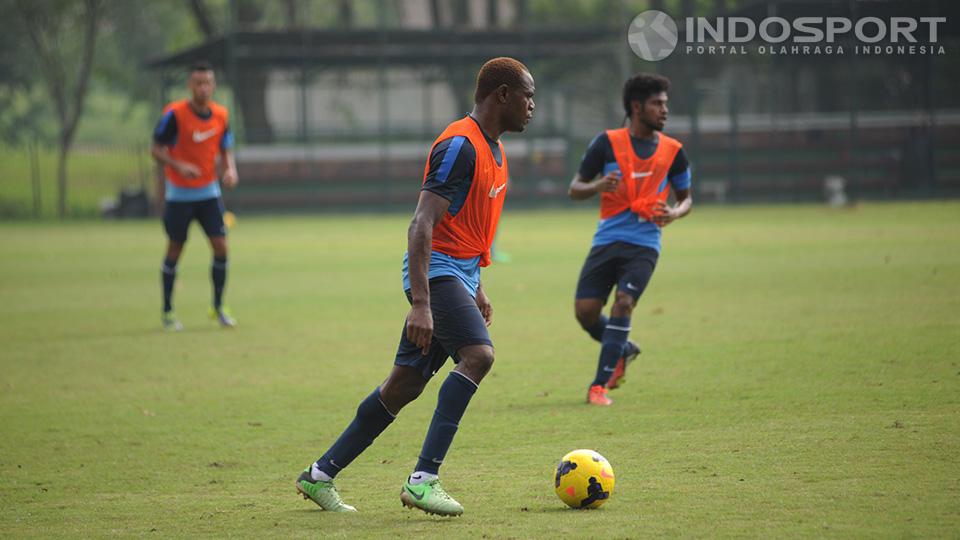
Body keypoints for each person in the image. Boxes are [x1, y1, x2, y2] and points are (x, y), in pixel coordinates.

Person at [295, 57, 535, 516]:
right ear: (502, 94)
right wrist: (422, 304)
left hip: (458, 274)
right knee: (479, 356)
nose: (532, 106)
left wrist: (477, 284)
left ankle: (319, 475)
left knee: (402, 385)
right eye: (528, 96)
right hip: (436, 274)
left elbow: (465, 227)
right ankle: (423, 480)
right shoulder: (460, 145)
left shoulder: (494, 150)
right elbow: (422, 223)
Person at [568, 73, 692, 406]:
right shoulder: (606, 143)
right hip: (607, 239)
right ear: (636, 107)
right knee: (585, 313)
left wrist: (675, 213)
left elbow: (686, 198)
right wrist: (596, 186)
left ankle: (599, 386)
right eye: (657, 104)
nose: (664, 110)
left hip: (645, 243)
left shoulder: (673, 151)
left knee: (624, 302)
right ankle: (622, 347)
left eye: (665, 104)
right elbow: (575, 188)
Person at [151, 62, 238, 331]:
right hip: (179, 196)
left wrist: (230, 168)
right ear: (190, 86)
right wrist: (178, 166)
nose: (203, 87)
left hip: (209, 193)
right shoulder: (174, 114)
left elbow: (226, 146)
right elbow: (155, 149)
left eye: (207, 82)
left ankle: (218, 307)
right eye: (198, 83)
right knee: (175, 250)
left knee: (222, 247)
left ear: (213, 85)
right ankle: (167, 312)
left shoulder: (221, 115)